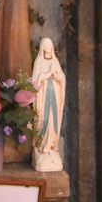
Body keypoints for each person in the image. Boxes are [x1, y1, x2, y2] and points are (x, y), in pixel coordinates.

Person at [31, 37, 66, 171]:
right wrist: (46, 75)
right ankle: (41, 146)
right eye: (45, 45)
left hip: (55, 95)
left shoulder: (55, 61)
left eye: (49, 45)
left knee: (53, 120)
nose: (47, 48)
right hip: (43, 96)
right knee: (43, 119)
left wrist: (57, 77)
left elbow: (62, 77)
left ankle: (51, 145)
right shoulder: (38, 61)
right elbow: (35, 80)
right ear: (42, 48)